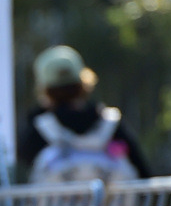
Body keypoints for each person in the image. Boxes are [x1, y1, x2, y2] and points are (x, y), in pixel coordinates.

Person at [17, 45, 150, 185]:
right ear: (83, 83)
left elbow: (22, 167)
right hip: (109, 200)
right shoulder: (110, 123)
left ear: (44, 89)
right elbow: (143, 172)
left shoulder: (37, 130)